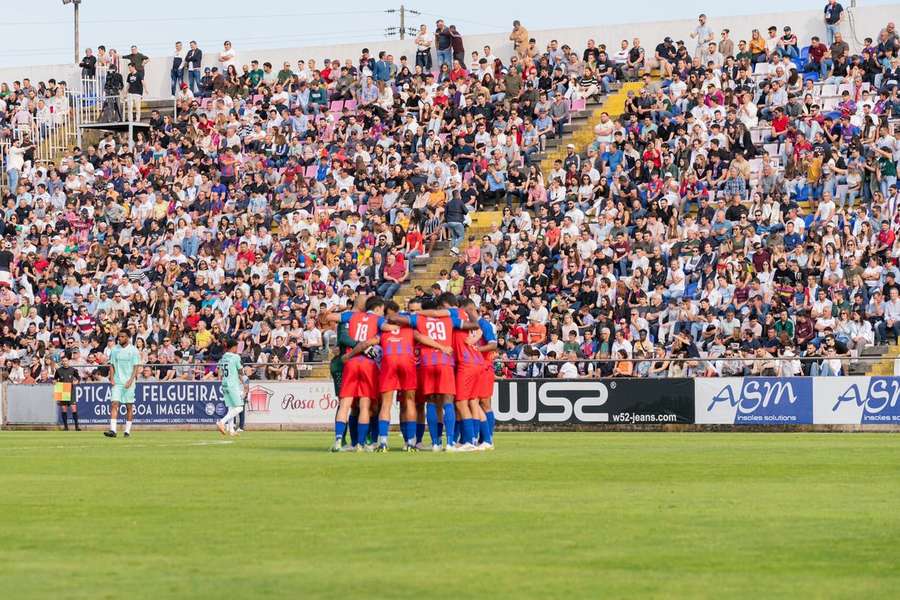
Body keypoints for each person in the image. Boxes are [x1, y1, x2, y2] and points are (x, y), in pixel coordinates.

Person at [104, 330, 141, 438]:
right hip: (118, 381)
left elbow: (136, 366)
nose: (120, 338)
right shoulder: (115, 349)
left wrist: (131, 380)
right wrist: (111, 377)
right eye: (119, 336)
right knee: (114, 404)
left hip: (129, 382)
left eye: (122, 336)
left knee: (129, 406)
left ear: (128, 338)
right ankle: (113, 430)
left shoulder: (133, 350)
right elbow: (111, 364)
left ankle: (127, 431)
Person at [216, 337, 247, 436]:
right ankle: (221, 422)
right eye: (236, 347)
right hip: (233, 384)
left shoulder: (223, 357)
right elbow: (240, 371)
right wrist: (244, 378)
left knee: (231, 407)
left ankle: (231, 430)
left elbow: (219, 371)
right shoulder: (236, 357)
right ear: (233, 347)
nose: (237, 349)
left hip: (224, 383)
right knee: (239, 408)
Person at [55, 355, 80, 431]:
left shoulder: (72, 370)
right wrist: (55, 382)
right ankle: (66, 427)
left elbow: (78, 377)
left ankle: (77, 426)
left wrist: (76, 381)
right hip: (62, 389)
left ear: (68, 361)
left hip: (71, 390)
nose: (65, 362)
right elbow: (55, 379)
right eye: (63, 361)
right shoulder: (59, 370)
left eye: (66, 361)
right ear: (62, 362)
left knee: (73, 408)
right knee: (64, 408)